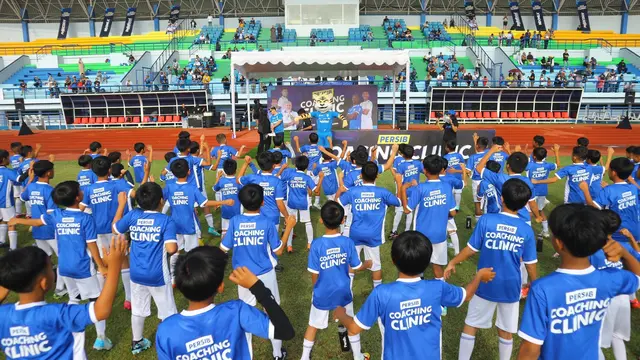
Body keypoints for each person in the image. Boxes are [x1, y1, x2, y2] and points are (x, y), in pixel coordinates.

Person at [334, 231, 495, 359]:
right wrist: (479, 276)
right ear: (427, 262)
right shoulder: (437, 288)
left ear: (393, 260)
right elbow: (466, 295)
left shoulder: (382, 293)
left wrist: (341, 314)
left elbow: (354, 328)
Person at [517, 205, 640, 359]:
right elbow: (637, 276)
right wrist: (625, 253)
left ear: (559, 243)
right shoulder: (608, 279)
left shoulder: (542, 289)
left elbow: (530, 348)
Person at [10, 181, 114, 350]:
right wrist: (101, 265)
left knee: (74, 298)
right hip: (82, 267)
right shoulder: (86, 218)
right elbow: (92, 244)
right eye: (79, 190)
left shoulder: (57, 214)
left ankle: (73, 334)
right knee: (96, 301)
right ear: (77, 197)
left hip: (64, 266)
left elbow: (37, 222)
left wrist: (18, 220)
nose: (81, 191)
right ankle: (101, 338)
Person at [446, 179, 538, 360]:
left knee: (471, 324)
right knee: (505, 330)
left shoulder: (487, 220)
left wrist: (453, 262)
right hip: (511, 285)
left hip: (485, 281)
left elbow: (471, 249)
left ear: (502, 198)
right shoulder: (525, 230)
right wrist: (535, 284)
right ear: (525, 204)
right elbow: (530, 263)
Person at [155, 247, 295, 360]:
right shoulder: (236, 312)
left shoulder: (166, 331)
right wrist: (257, 287)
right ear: (220, 287)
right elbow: (285, 331)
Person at [0, 237, 126, 358]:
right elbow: (101, 310)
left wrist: (11, 279)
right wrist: (114, 267)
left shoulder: (3, 316)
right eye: (51, 267)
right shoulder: (59, 315)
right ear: (44, 283)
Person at [220, 184, 295, 360]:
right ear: (262, 202)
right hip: (264, 274)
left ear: (241, 202)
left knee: (246, 315)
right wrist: (289, 227)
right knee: (272, 310)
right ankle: (277, 354)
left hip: (243, 275)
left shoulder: (235, 221)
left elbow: (223, 247)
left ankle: (247, 355)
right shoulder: (267, 223)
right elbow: (278, 251)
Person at [112, 182, 179, 355]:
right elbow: (172, 249)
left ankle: (137, 341)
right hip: (157, 274)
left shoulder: (133, 215)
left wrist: (120, 206)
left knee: (139, 308)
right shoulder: (166, 220)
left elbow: (116, 228)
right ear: (161, 201)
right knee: (167, 310)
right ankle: (169, 343)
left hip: (136, 273)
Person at [302, 201, 372, 360]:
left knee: (313, 324)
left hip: (322, 292)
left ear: (321, 220)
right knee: (350, 322)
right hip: (343, 291)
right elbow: (356, 266)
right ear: (342, 220)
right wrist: (367, 264)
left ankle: (304, 357)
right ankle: (358, 356)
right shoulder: (347, 242)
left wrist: (316, 289)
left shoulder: (316, 244)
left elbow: (314, 273)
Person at [339, 162, 401, 291]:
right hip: (373, 235)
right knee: (376, 265)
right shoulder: (383, 192)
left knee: (351, 262)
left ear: (361, 175)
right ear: (377, 176)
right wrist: (399, 183)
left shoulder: (353, 191)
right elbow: (398, 202)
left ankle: (347, 292)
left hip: (354, 233)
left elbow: (338, 203)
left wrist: (340, 187)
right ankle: (377, 293)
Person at [403, 155, 456, 284]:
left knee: (417, 265)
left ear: (425, 170)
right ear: (441, 170)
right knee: (437, 266)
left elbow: (407, 210)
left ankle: (418, 291)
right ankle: (443, 297)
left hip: (422, 234)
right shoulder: (447, 187)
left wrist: (403, 189)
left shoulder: (420, 188)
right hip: (440, 234)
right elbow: (453, 212)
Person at [19, 160, 66, 298]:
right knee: (62, 258)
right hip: (50, 230)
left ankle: (41, 284)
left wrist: (30, 180)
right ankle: (59, 288)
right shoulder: (50, 191)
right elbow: (51, 213)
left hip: (37, 230)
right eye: (52, 169)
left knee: (44, 259)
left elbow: (22, 197)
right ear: (48, 173)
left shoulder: (32, 187)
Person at [280, 156, 322, 251]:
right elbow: (316, 191)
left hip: (291, 202)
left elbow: (280, 178)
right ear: (307, 166)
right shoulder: (307, 177)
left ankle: (289, 246)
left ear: (295, 165)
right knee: (307, 222)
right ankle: (309, 244)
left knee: (290, 223)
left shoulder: (290, 175)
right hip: (303, 203)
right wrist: (321, 179)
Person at [525, 145, 560, 237]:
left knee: (529, 212)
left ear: (534, 156)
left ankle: (526, 232)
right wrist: (556, 152)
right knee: (540, 210)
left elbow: (518, 165)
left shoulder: (530, 165)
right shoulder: (548, 165)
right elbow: (558, 164)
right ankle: (545, 231)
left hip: (531, 193)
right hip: (542, 192)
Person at [390, 144, 423, 239]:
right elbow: (424, 171)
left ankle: (393, 231)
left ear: (403, 155)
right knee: (410, 211)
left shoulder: (401, 165)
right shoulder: (418, 163)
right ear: (413, 153)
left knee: (399, 210)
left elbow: (398, 178)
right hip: (415, 192)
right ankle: (407, 231)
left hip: (403, 191)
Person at [213, 159, 242, 238]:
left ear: (224, 170)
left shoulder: (222, 181)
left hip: (225, 210)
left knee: (225, 232)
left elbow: (215, 189)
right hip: (237, 211)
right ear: (235, 170)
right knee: (237, 230)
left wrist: (218, 178)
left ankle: (223, 249)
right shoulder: (238, 181)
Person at [0, 150, 20, 249]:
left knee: (2, 220)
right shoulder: (8, 172)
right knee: (12, 222)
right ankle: (13, 248)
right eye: (8, 158)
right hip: (5, 202)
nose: (9, 159)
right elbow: (19, 179)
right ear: (3, 159)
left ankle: (1, 241)